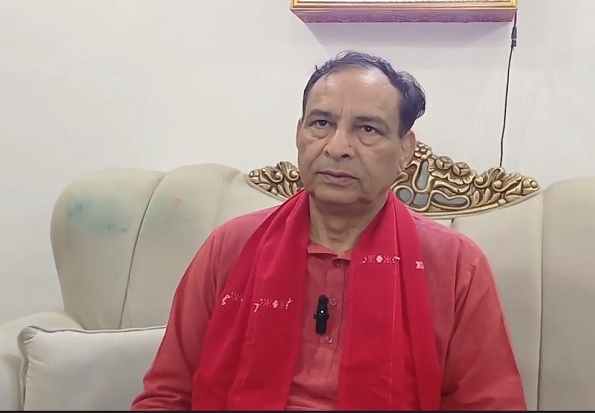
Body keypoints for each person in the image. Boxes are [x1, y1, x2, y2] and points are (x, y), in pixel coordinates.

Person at [131, 51, 527, 411]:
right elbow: (166, 395)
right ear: (299, 133)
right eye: (322, 123)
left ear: (405, 151)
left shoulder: (455, 265)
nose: (337, 147)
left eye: (367, 129)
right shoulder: (230, 247)